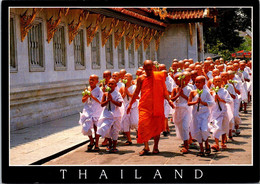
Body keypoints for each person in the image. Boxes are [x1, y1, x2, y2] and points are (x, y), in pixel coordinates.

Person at [127, 60, 174, 156]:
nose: (149, 71)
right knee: (143, 125)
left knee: (157, 126)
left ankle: (155, 147)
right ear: (143, 68)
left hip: (157, 105)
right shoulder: (141, 78)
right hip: (145, 106)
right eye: (147, 69)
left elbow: (164, 90)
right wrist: (130, 104)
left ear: (153, 68)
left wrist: (169, 100)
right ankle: (146, 146)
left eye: (150, 69)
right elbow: (136, 92)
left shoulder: (159, 76)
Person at [188, 76, 214, 156]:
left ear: (204, 83)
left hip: (204, 114)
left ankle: (206, 144)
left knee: (204, 129)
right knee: (197, 130)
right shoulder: (193, 92)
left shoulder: (206, 92)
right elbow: (188, 103)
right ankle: (201, 149)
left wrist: (202, 102)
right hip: (196, 113)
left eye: (199, 82)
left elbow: (212, 103)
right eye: (196, 82)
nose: (197, 84)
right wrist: (195, 102)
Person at [96, 78, 124, 153]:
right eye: (109, 84)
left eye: (112, 84)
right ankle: (110, 143)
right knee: (105, 129)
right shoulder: (105, 94)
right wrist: (107, 100)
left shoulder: (117, 94)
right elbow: (102, 104)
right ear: (107, 85)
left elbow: (120, 104)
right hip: (107, 114)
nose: (110, 85)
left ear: (115, 85)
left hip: (116, 114)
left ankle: (114, 146)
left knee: (115, 130)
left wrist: (112, 100)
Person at [79, 75, 103, 152]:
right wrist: (86, 96)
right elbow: (83, 100)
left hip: (96, 109)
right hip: (88, 110)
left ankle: (96, 144)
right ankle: (91, 140)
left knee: (96, 127)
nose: (91, 81)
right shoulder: (86, 89)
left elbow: (100, 101)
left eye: (93, 80)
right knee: (86, 126)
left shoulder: (99, 90)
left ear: (97, 81)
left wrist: (92, 96)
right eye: (90, 79)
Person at [209, 76, 233, 151]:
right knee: (217, 127)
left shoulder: (224, 91)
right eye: (215, 81)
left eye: (219, 81)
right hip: (215, 112)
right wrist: (214, 99)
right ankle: (216, 144)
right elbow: (209, 102)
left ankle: (222, 142)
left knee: (224, 127)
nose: (217, 83)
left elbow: (229, 100)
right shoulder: (211, 92)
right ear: (213, 83)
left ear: (221, 82)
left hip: (223, 111)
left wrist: (220, 99)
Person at [171, 73, 192, 154]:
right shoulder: (175, 89)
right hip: (178, 110)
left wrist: (182, 95)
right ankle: (185, 141)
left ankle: (186, 145)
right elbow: (171, 99)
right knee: (180, 127)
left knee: (185, 126)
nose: (176, 81)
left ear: (183, 80)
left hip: (186, 109)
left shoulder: (189, 89)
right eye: (175, 79)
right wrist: (178, 95)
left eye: (178, 79)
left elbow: (190, 100)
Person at [121, 73, 139, 145]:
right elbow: (120, 97)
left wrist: (128, 93)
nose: (125, 78)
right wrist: (124, 93)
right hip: (125, 105)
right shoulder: (122, 87)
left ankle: (139, 134)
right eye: (124, 77)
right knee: (126, 122)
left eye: (127, 77)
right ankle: (129, 139)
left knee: (135, 121)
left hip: (134, 105)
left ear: (131, 79)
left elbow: (137, 97)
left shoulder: (134, 87)